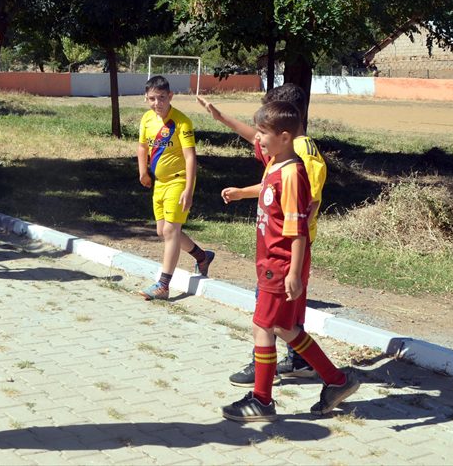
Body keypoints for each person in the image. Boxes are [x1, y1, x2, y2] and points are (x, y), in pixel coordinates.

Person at [216, 100, 359, 421]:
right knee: (285, 327)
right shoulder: (277, 165)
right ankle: (337, 381)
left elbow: (297, 229)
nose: (257, 138)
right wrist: (241, 193)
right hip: (275, 264)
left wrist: (293, 272)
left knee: (262, 328)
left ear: (283, 137)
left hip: (280, 266)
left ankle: (262, 400)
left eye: (263, 133)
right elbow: (269, 192)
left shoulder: (293, 174)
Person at [197, 84, 327, 383]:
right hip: (278, 248)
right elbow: (255, 139)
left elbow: (302, 207)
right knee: (283, 318)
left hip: (287, 250)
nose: (259, 134)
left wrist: (294, 266)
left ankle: (264, 376)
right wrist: (220, 117)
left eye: (267, 121)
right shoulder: (284, 146)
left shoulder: (302, 159)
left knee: (266, 318)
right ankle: (304, 365)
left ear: (285, 123)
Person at [137, 75, 215, 301]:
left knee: (171, 231)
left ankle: (163, 285)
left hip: (178, 181)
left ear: (170, 96)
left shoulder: (182, 122)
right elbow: (142, 147)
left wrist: (188, 189)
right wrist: (143, 172)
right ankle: (202, 256)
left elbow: (191, 157)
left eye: (161, 98)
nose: (157, 103)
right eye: (152, 98)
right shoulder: (147, 119)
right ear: (146, 98)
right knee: (163, 231)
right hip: (159, 183)